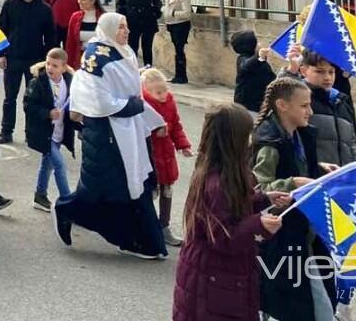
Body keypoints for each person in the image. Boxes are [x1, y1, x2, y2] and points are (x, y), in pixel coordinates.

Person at [53, 12, 165, 260]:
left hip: (128, 129)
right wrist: (134, 106)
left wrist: (153, 119)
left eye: (126, 26)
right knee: (104, 188)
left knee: (133, 185)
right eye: (121, 27)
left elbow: (134, 92)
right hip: (106, 132)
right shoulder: (95, 58)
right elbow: (101, 101)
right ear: (109, 29)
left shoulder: (126, 52)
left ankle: (143, 241)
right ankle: (67, 210)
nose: (126, 31)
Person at [172, 104, 287, 321]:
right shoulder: (217, 183)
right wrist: (258, 223)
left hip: (220, 278)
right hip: (213, 281)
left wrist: (263, 200)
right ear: (234, 140)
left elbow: (233, 209)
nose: (251, 141)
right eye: (247, 136)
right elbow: (223, 237)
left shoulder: (222, 172)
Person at [250, 76, 340, 317]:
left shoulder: (299, 134)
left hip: (306, 232)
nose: (310, 111)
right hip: (284, 237)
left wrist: (319, 168)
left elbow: (297, 164)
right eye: (303, 105)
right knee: (311, 308)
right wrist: (292, 183)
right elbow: (259, 188)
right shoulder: (270, 143)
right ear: (282, 105)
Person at [0, 0, 57, 144]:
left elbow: (50, 37)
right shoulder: (9, 4)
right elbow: (1, 31)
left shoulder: (44, 9)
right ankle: (6, 131)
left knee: (32, 99)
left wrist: (46, 61)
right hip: (12, 58)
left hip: (35, 61)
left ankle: (32, 133)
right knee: (9, 98)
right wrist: (0, 55)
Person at [142, 67, 192, 247]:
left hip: (166, 155)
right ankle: (147, 226)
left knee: (167, 191)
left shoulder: (170, 103)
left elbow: (176, 126)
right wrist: (156, 130)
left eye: (165, 90)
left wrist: (183, 145)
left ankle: (164, 226)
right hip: (150, 156)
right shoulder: (143, 106)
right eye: (158, 92)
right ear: (147, 91)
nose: (163, 95)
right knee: (148, 192)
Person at [25, 46, 77, 211]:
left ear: (63, 67)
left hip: (59, 131)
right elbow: (28, 105)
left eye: (55, 65)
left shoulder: (69, 82)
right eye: (48, 64)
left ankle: (40, 195)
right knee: (59, 165)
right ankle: (68, 203)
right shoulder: (37, 82)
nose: (49, 68)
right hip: (43, 133)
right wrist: (47, 113)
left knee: (47, 163)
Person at [298, 49, 356, 166]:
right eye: (319, 72)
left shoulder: (341, 101)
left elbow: (352, 144)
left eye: (331, 72)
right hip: (316, 177)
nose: (327, 78)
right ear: (304, 71)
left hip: (344, 175)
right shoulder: (300, 101)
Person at [115, 0, 162, 68]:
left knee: (147, 47)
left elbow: (157, 1)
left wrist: (155, 12)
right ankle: (132, 68)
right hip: (132, 22)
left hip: (148, 21)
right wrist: (123, 18)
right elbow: (119, 5)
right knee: (132, 47)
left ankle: (148, 69)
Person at [229, 30, 275, 114]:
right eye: (256, 42)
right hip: (247, 107)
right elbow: (246, 65)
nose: (259, 44)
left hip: (261, 105)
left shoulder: (260, 61)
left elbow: (270, 77)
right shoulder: (243, 59)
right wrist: (258, 55)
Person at [164, 0, 193, 84]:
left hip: (181, 25)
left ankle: (181, 76)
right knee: (177, 50)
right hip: (171, 24)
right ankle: (178, 75)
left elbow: (187, 13)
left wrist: (173, 13)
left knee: (179, 51)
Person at [65, 0, 102, 65]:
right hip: (80, 58)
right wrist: (69, 64)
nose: (79, 2)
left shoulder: (104, 17)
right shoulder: (75, 16)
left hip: (100, 59)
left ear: (93, 0)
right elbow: (70, 42)